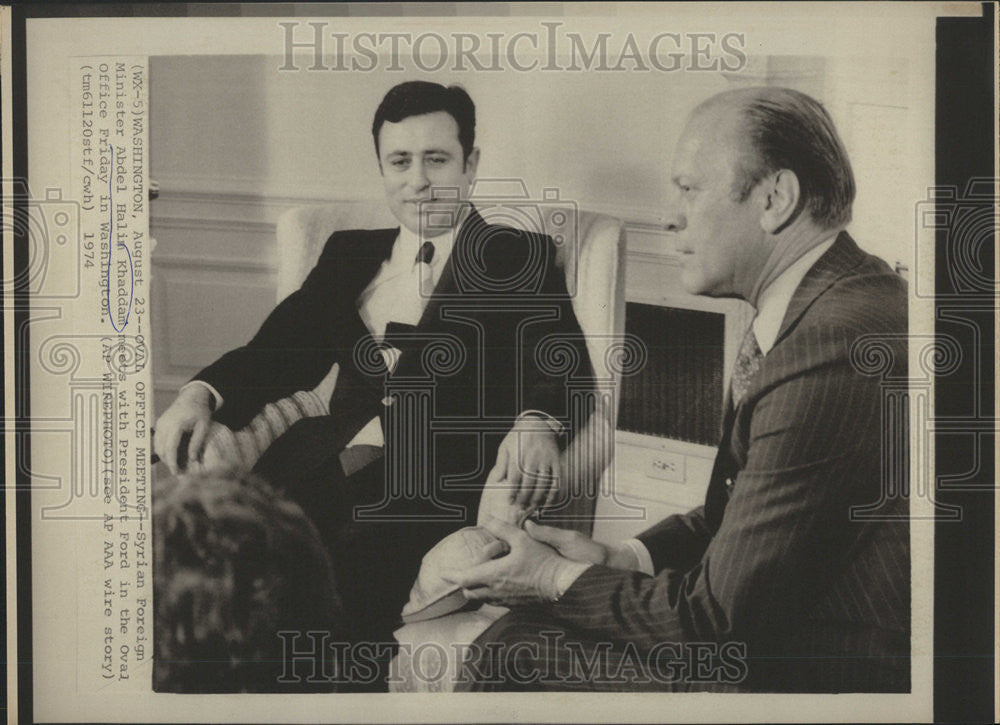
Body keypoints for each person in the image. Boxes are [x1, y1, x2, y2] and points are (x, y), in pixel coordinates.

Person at [447, 86, 910, 693]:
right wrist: (620, 558)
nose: (671, 214)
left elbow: (715, 630)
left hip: (829, 674)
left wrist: (551, 578)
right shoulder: (827, 303)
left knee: (514, 648)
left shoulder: (829, 349)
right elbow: (729, 517)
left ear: (776, 199)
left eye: (689, 189)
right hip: (787, 630)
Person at [152, 81, 592, 673]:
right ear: (382, 168)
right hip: (313, 466)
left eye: (436, 159)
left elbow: (562, 361)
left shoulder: (518, 257)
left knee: (327, 602)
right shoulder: (348, 254)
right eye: (400, 161)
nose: (418, 181)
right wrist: (198, 394)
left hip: (428, 488)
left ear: (471, 164)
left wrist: (539, 421)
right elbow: (276, 350)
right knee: (211, 568)